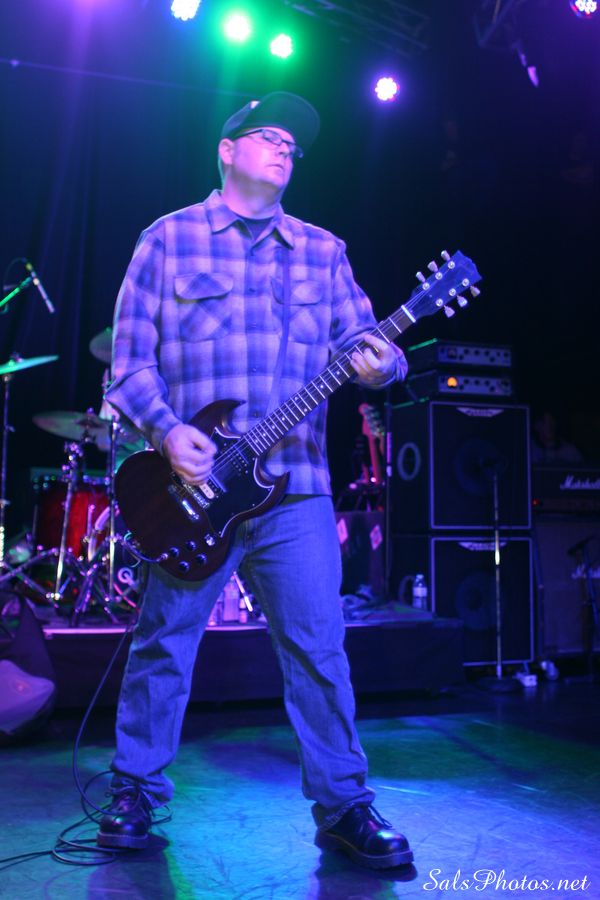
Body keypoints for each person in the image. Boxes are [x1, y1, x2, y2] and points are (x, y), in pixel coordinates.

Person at [98, 91, 412, 870]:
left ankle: (344, 805)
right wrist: (167, 431)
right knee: (164, 641)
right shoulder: (167, 240)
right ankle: (134, 790)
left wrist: (385, 363)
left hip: (295, 486)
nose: (283, 150)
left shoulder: (323, 251)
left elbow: (368, 346)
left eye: (292, 145)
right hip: (193, 491)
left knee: (318, 648)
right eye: (268, 136)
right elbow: (127, 364)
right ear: (227, 150)